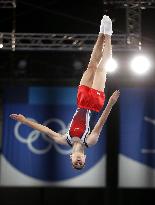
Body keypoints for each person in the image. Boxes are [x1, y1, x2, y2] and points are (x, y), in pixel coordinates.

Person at [10, 15, 120, 170]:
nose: (78, 160)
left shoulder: (64, 140)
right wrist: (111, 102)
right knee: (102, 68)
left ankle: (101, 33)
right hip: (94, 104)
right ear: (84, 157)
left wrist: (25, 121)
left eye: (76, 162)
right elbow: (101, 122)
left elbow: (45, 129)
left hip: (80, 101)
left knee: (91, 66)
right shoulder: (90, 141)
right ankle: (108, 35)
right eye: (81, 162)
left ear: (71, 157)